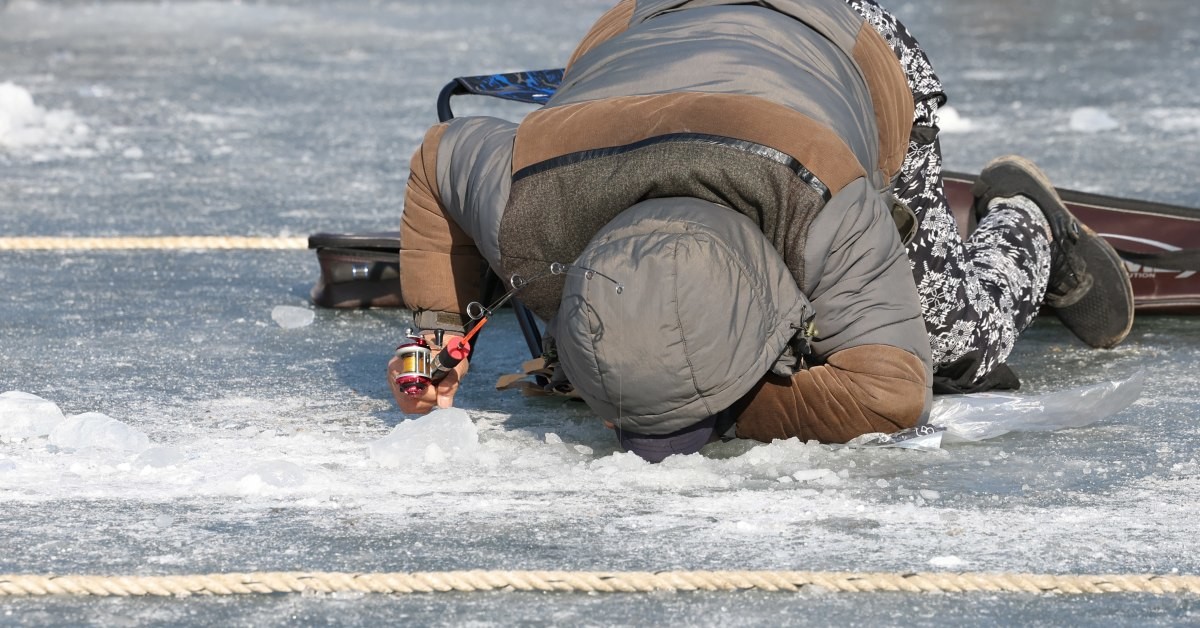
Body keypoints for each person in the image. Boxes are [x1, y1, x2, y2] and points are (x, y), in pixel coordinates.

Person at [387, 0, 1134, 462]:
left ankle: (1027, 220)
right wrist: (434, 337)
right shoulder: (532, 205)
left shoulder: (824, 207)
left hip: (848, 44)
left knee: (950, 344)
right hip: (652, 21)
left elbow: (892, 392)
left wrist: (727, 404)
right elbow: (437, 160)